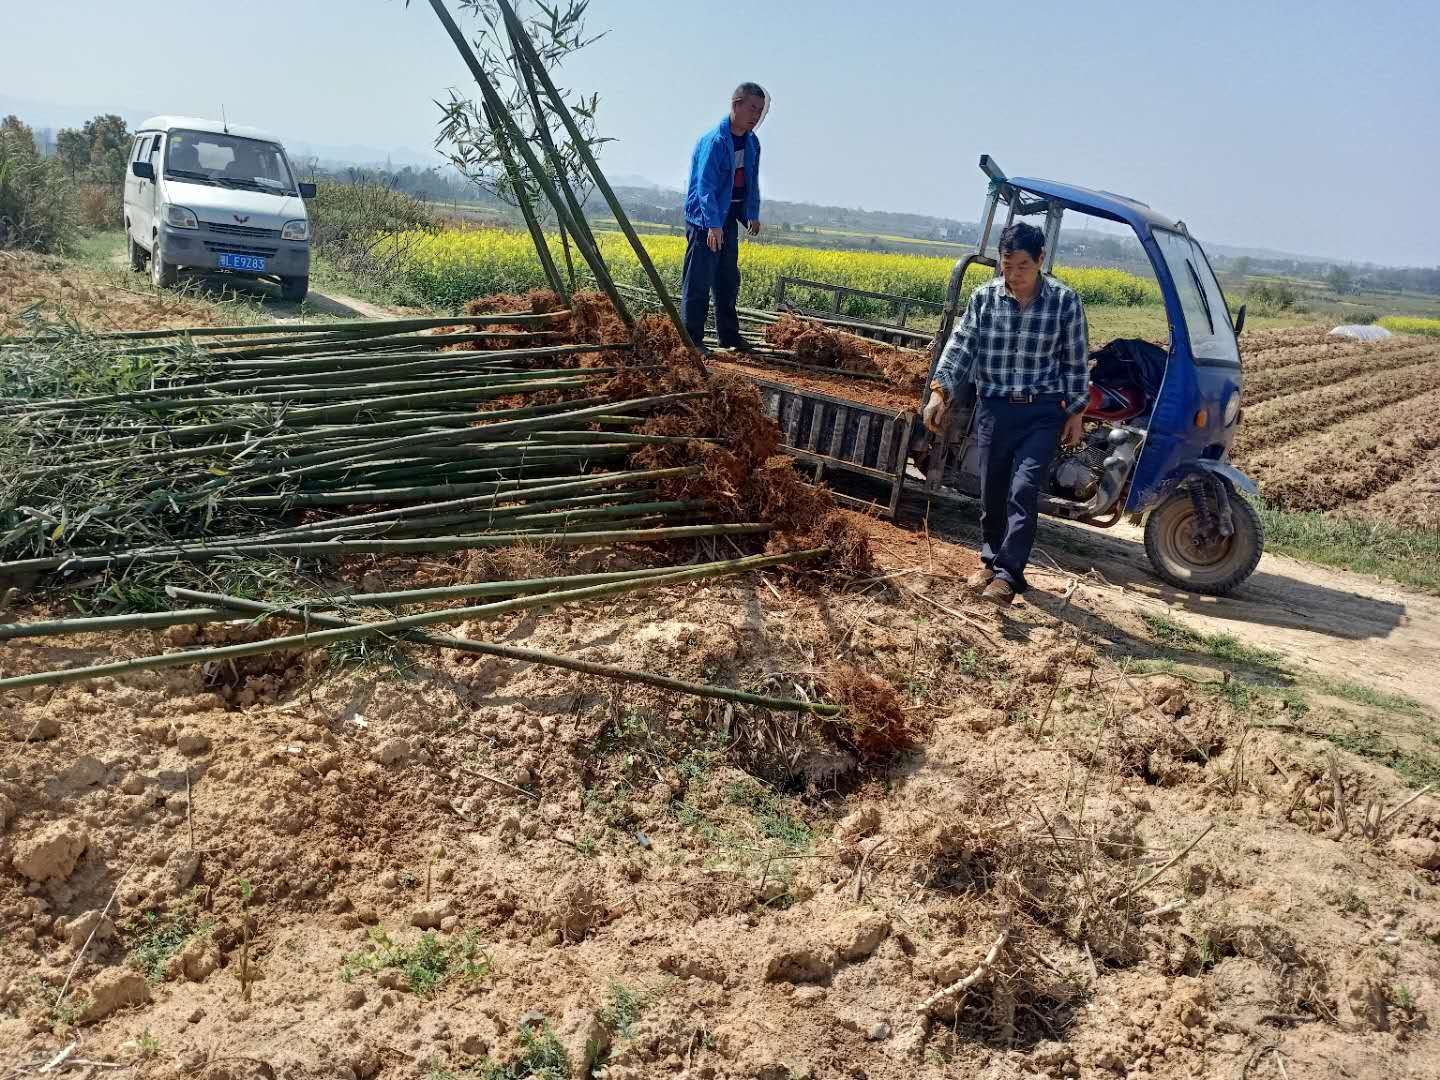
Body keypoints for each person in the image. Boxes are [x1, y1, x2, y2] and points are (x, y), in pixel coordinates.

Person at [922, 222, 1089, 606]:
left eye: (1023, 267)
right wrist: (939, 392)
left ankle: (1009, 574)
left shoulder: (1065, 302)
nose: (1014, 275)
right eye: (1007, 266)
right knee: (993, 489)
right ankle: (990, 559)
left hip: (1043, 411)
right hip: (995, 409)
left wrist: (1076, 412)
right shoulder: (984, 299)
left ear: (1042, 260)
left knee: (1024, 489)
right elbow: (960, 346)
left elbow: (1076, 361)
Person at [680, 82, 767, 353]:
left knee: (728, 279)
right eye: (752, 108)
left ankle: (729, 337)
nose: (756, 115)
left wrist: (751, 213)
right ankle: (691, 340)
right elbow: (704, 186)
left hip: (727, 217)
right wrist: (712, 225)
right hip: (704, 219)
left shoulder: (752, 142)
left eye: (760, 110)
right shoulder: (715, 141)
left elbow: (750, 181)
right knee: (699, 279)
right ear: (736, 104)